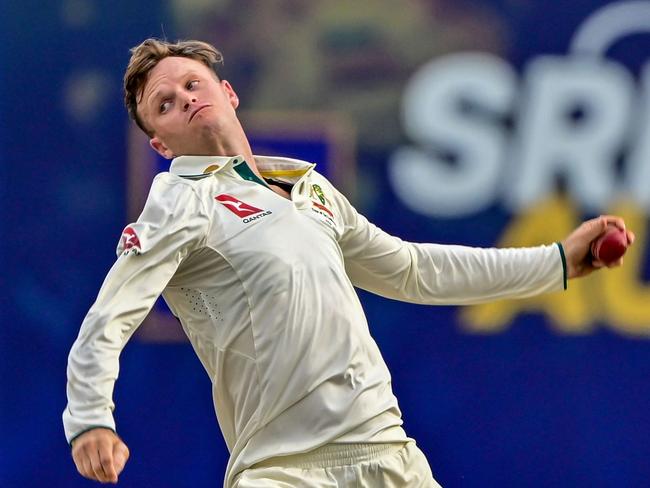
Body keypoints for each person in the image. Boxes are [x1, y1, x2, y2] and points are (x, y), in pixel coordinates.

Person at [63, 38, 634, 487]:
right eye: (165, 104)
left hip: (388, 454)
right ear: (160, 144)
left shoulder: (308, 189)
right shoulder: (179, 202)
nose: (185, 98)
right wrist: (90, 417)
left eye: (193, 83)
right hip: (282, 468)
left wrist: (557, 261)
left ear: (229, 93)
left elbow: (412, 269)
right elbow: (108, 318)